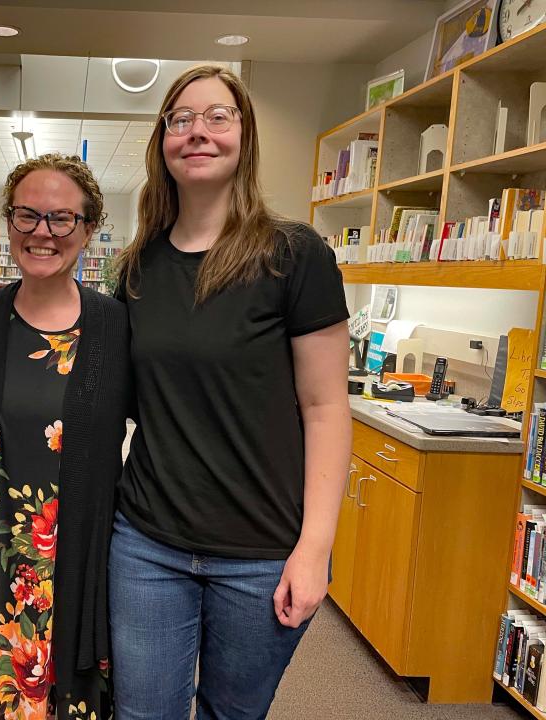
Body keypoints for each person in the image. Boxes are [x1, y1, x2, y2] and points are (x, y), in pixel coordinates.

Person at [110, 64, 352, 719]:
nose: (198, 132)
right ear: (164, 140)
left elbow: (327, 409)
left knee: (232, 714)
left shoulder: (293, 255)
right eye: (180, 119)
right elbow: (116, 401)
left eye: (218, 116)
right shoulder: (137, 267)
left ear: (244, 135)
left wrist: (315, 550)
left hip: (261, 553)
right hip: (147, 545)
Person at [0, 154, 131, 720]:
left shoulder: (116, 328)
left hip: (80, 562)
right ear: (8, 223)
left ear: (88, 229)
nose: (41, 232)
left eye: (61, 218)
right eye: (26, 215)